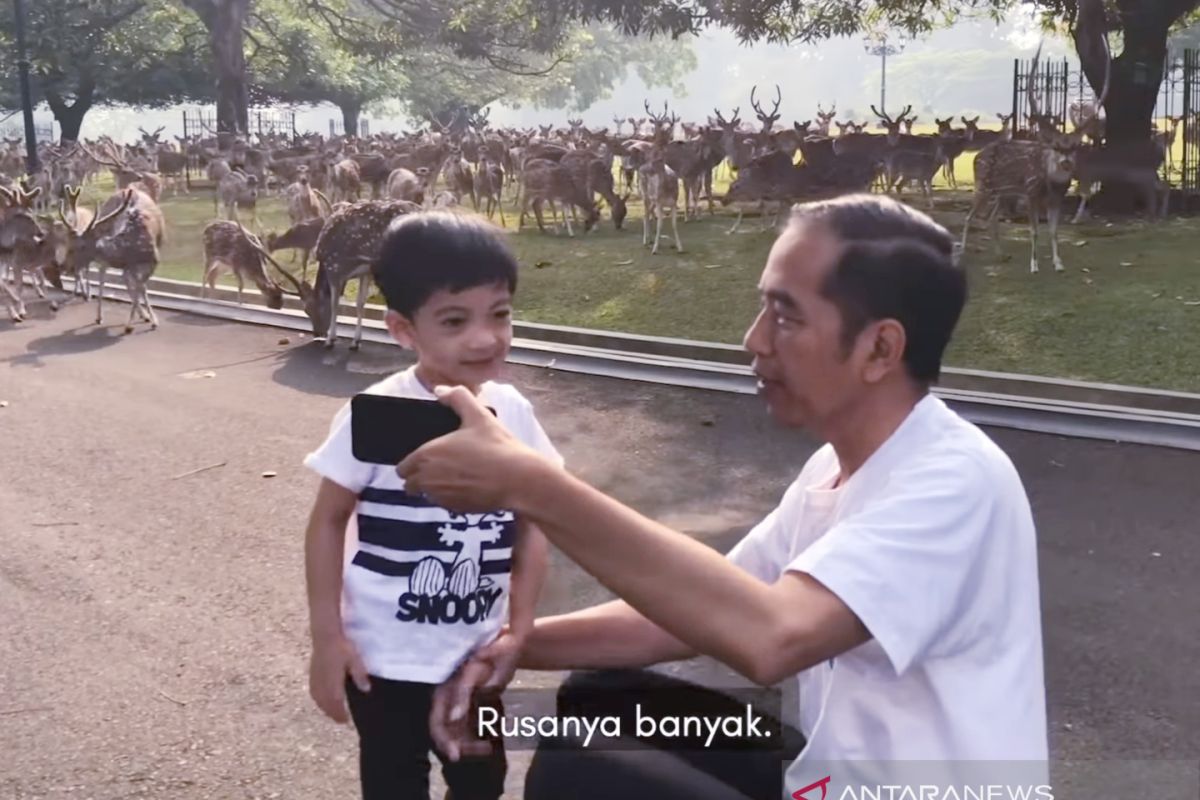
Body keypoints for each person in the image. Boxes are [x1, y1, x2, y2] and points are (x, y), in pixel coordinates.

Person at [398, 195, 1050, 798]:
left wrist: (529, 483)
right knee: (601, 697)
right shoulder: (836, 467)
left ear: (880, 347)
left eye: (785, 314)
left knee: (584, 769)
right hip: (828, 777)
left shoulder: (954, 481)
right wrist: (498, 645)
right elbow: (684, 615)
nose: (754, 340)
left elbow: (772, 637)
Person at [301, 211, 563, 800]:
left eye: (500, 314)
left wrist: (517, 629)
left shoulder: (513, 413)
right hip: (382, 662)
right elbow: (327, 521)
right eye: (455, 320)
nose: (486, 337)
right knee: (393, 786)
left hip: (475, 657)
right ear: (403, 329)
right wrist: (327, 638)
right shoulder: (375, 412)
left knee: (481, 784)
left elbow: (534, 524)